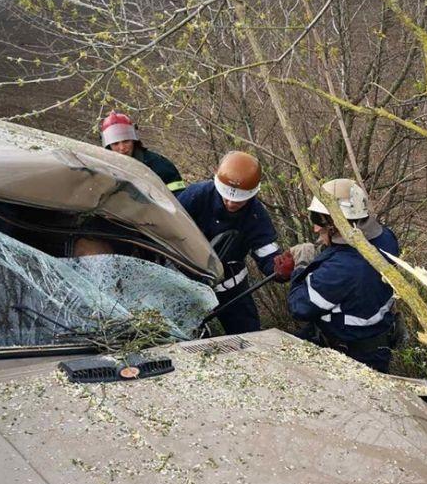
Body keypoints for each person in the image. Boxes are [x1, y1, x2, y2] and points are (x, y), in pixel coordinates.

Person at [287, 179, 400, 373]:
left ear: (337, 223)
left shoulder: (342, 267)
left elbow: (300, 307)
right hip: (376, 345)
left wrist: (302, 265)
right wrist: (325, 251)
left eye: (319, 220)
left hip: (349, 356)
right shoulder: (385, 238)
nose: (316, 228)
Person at [177, 151, 293, 334]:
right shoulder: (196, 196)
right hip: (184, 281)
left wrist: (279, 269)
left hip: (230, 285)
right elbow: (168, 230)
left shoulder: (256, 216)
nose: (231, 203)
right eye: (227, 197)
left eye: (239, 200)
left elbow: (267, 253)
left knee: (248, 335)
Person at [100, 111, 186, 193]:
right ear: (109, 146)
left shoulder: (159, 165)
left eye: (126, 141)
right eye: (115, 144)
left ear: (134, 141)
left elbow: (178, 197)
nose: (122, 148)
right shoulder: (103, 169)